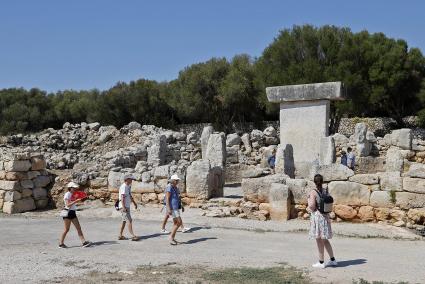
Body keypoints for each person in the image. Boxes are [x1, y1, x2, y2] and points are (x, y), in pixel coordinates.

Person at [307, 174, 337, 268]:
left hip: (318, 217)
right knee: (325, 239)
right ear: (322, 181)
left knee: (319, 239)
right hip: (325, 216)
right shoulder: (325, 191)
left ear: (314, 182)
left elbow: (312, 206)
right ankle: (333, 260)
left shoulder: (313, 192)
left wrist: (309, 208)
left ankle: (321, 262)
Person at [59, 182, 91, 248]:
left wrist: (78, 202)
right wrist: (76, 201)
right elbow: (67, 204)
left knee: (78, 228)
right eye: (74, 188)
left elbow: (72, 204)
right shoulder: (67, 194)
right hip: (67, 213)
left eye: (75, 188)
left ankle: (84, 242)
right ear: (70, 188)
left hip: (72, 212)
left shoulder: (73, 194)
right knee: (66, 229)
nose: (75, 189)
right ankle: (61, 243)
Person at [118, 174, 139, 241]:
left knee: (124, 221)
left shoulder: (128, 186)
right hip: (124, 206)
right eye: (130, 179)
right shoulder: (123, 186)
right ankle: (133, 236)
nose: (132, 181)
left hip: (126, 206)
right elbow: (122, 197)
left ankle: (120, 235)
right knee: (129, 220)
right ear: (127, 179)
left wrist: (134, 203)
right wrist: (123, 207)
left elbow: (129, 196)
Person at [166, 174, 184, 245]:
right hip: (173, 208)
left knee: (175, 223)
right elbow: (167, 198)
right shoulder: (169, 187)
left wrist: (181, 205)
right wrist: (168, 208)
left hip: (176, 207)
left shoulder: (175, 188)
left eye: (177, 180)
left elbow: (177, 197)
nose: (177, 181)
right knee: (179, 222)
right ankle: (171, 237)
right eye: (176, 180)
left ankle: (172, 237)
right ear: (173, 181)